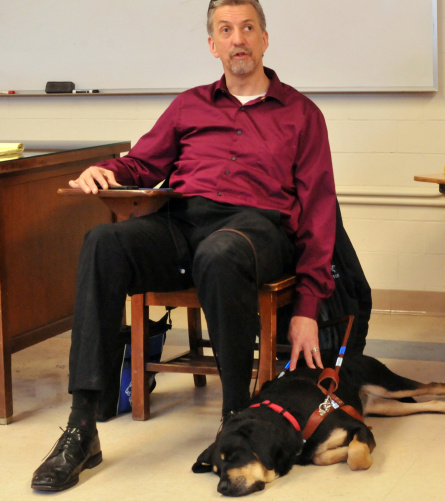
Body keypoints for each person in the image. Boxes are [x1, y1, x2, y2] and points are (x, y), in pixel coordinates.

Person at [31, 0, 336, 492]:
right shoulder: (190, 104)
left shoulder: (302, 114)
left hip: (258, 230)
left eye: (247, 28)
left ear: (263, 38)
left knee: (221, 252)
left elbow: (321, 214)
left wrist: (308, 306)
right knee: (103, 242)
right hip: (186, 220)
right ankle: (82, 426)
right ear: (212, 45)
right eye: (225, 30)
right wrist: (107, 169)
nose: (237, 39)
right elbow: (142, 164)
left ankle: (235, 419)